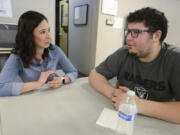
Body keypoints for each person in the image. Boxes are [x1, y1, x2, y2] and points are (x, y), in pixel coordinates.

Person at [89, 7, 180, 124]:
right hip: (123, 119)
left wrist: (139, 105)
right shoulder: (124, 53)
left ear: (156, 36)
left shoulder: (175, 60)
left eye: (136, 32)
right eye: (128, 32)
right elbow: (95, 75)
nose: (128, 38)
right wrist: (115, 95)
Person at [0, 11, 78, 96]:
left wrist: (62, 79)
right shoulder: (17, 57)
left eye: (49, 30)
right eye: (43, 32)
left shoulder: (55, 50)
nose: (49, 36)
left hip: (52, 95)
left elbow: (73, 71)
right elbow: (1, 88)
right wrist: (38, 83)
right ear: (29, 35)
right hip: (30, 97)